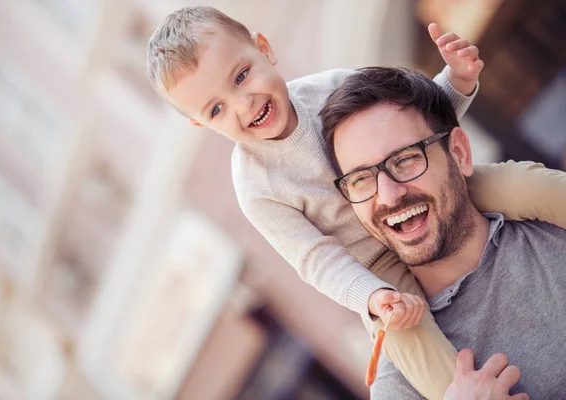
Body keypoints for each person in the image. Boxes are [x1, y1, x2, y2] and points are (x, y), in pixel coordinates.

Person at [146, 7, 566, 399]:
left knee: (517, 181)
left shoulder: (333, 88)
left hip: (427, 188)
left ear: (264, 49)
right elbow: (315, 258)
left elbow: (416, 125)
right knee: (405, 331)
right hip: (372, 266)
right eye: (217, 108)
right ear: (201, 123)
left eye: (240, 76)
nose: (244, 104)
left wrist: (456, 81)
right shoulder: (256, 186)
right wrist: (373, 298)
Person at [321, 66, 566, 399]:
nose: (389, 195)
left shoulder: (552, 219)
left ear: (460, 153)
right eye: (361, 180)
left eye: (405, 160)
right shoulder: (404, 386)